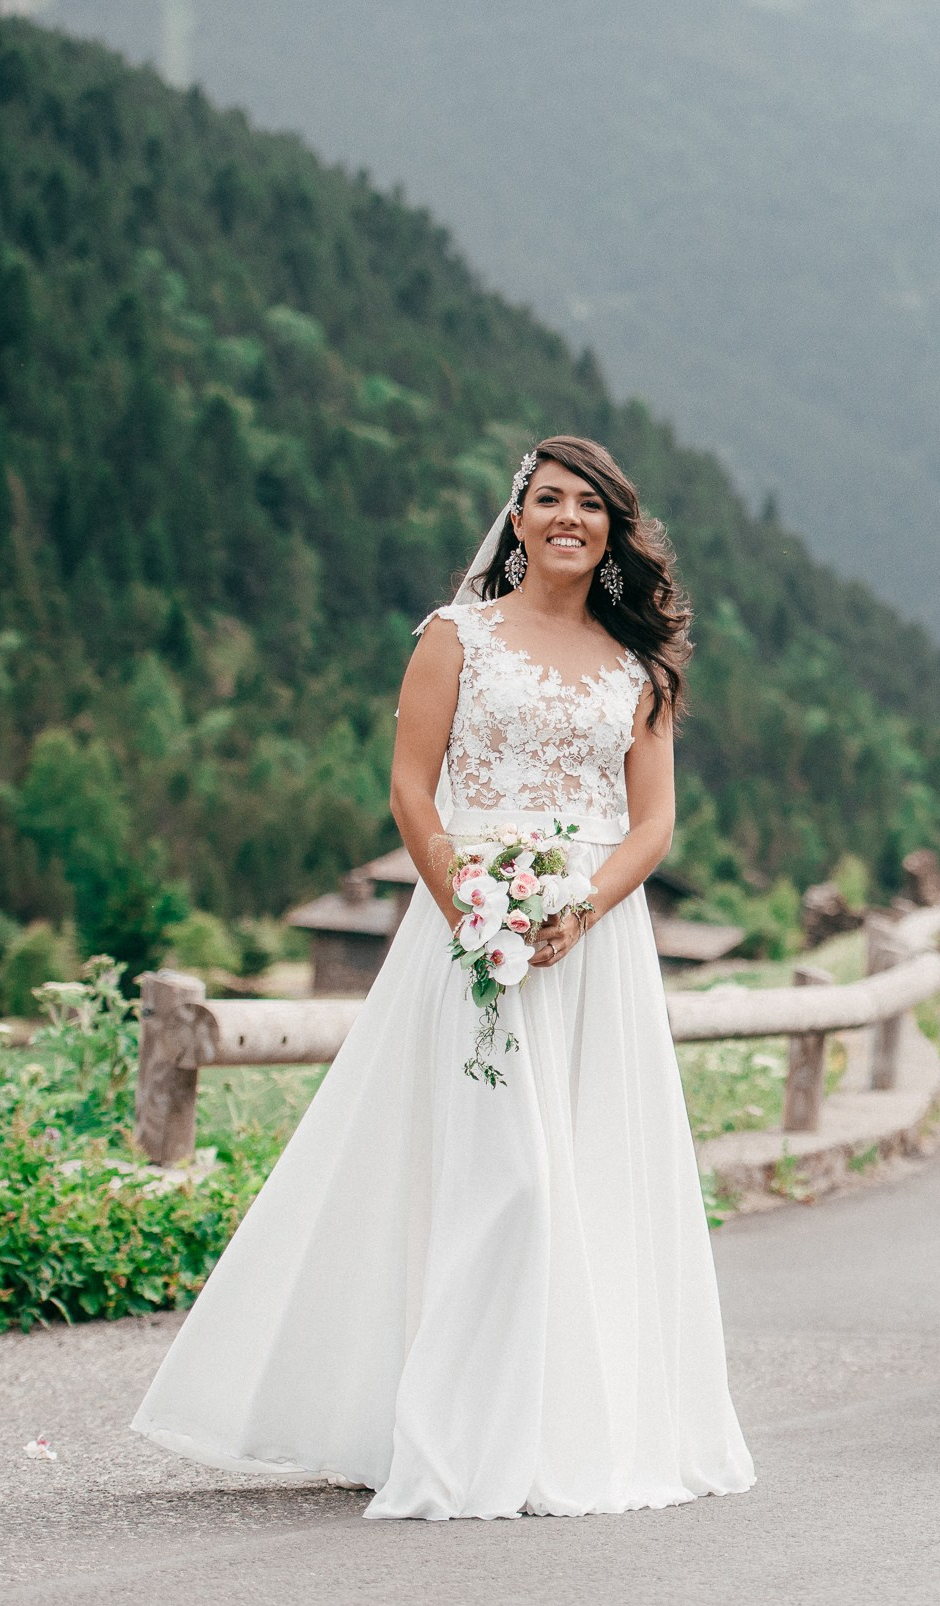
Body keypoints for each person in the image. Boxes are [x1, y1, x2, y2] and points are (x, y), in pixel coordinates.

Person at [132, 436, 755, 1519]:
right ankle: (458, 1432)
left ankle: (566, 1426)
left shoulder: (637, 667)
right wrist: (473, 903)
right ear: (515, 521)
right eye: (547, 499)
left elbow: (652, 823)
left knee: (585, 1170)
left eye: (589, 505)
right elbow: (412, 791)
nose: (568, 517)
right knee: (496, 1172)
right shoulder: (454, 637)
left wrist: (580, 908)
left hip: (592, 945)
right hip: (472, 932)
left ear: (614, 530)